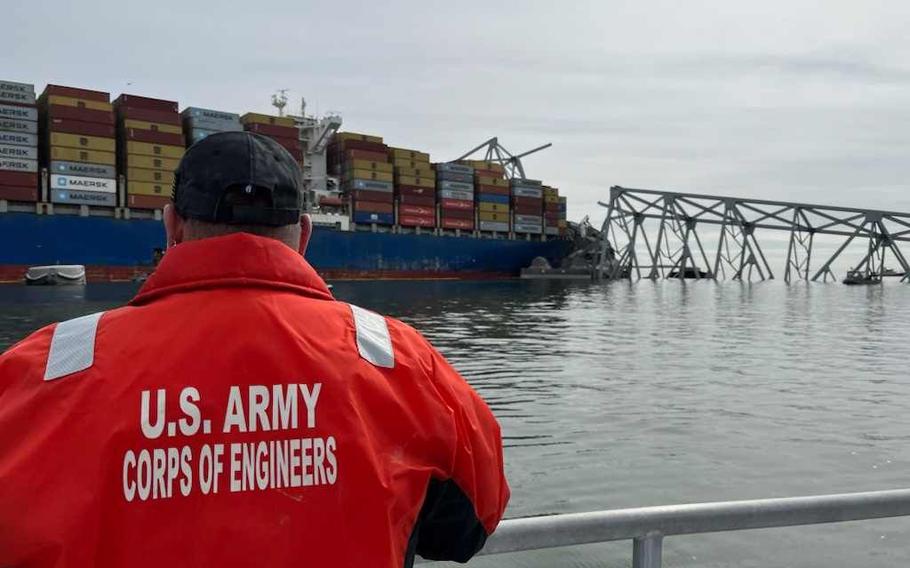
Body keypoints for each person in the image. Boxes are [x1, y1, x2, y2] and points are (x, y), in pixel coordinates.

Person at [0, 132, 509, 567]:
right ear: (305, 234)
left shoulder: (45, 367)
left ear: (172, 224)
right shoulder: (396, 356)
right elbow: (469, 528)